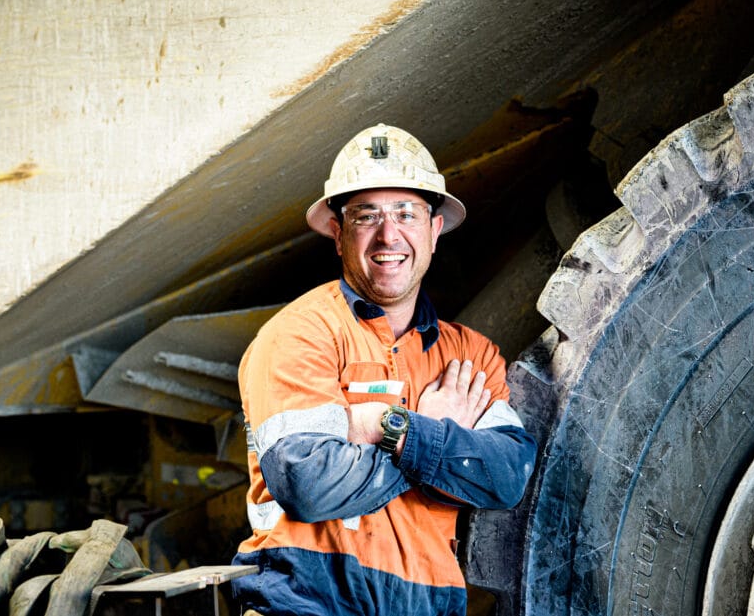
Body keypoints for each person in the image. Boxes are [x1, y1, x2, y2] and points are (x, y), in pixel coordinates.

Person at [230, 123, 537, 616]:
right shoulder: (299, 335)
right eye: (366, 215)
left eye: (406, 213)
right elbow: (308, 484)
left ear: (434, 231)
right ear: (338, 231)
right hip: (307, 601)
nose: (388, 235)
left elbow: (505, 477)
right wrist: (428, 430)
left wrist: (382, 427)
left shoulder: (471, 357)